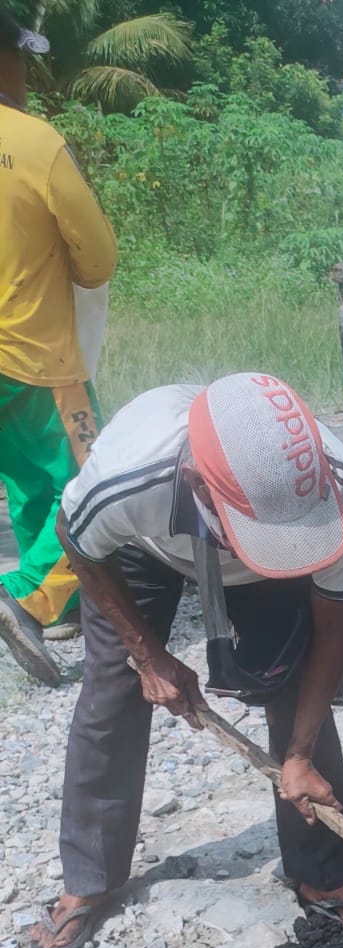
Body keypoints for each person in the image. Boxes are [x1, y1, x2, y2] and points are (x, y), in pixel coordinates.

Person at [30, 373, 343, 948]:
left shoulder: (342, 489)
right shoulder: (128, 476)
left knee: (295, 683)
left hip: (270, 568)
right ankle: (88, 881)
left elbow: (334, 623)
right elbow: (77, 541)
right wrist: (148, 656)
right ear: (197, 481)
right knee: (112, 693)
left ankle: (321, 873)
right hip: (140, 551)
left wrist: (296, 755)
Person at [0, 6, 116, 686]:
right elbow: (97, 259)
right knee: (96, 479)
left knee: (27, 478)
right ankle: (29, 599)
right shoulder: (37, 144)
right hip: (35, 354)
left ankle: (63, 600)